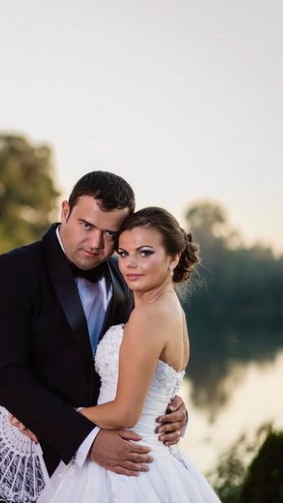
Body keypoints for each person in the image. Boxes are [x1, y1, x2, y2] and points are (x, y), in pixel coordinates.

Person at [0, 172, 188, 497]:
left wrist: (167, 406)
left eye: (109, 234)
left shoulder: (126, 283)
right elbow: (5, 375)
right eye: (86, 226)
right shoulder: (13, 271)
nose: (95, 244)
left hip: (109, 468)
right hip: (33, 452)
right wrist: (86, 439)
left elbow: (135, 364)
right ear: (65, 212)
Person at [36, 207, 219, 501]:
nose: (130, 264)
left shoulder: (150, 315)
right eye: (123, 253)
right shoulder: (169, 309)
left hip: (127, 463)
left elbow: (125, 412)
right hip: (154, 457)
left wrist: (54, 419)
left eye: (145, 253)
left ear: (173, 258)